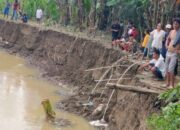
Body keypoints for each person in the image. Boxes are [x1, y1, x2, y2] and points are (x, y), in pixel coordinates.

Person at [165, 18, 180, 88]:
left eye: (176, 24)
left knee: (171, 69)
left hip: (174, 53)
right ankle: (167, 83)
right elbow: (168, 39)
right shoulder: (171, 31)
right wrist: (166, 45)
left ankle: (172, 85)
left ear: (179, 25)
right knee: (167, 68)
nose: (174, 25)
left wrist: (179, 51)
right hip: (168, 51)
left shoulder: (179, 33)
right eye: (174, 23)